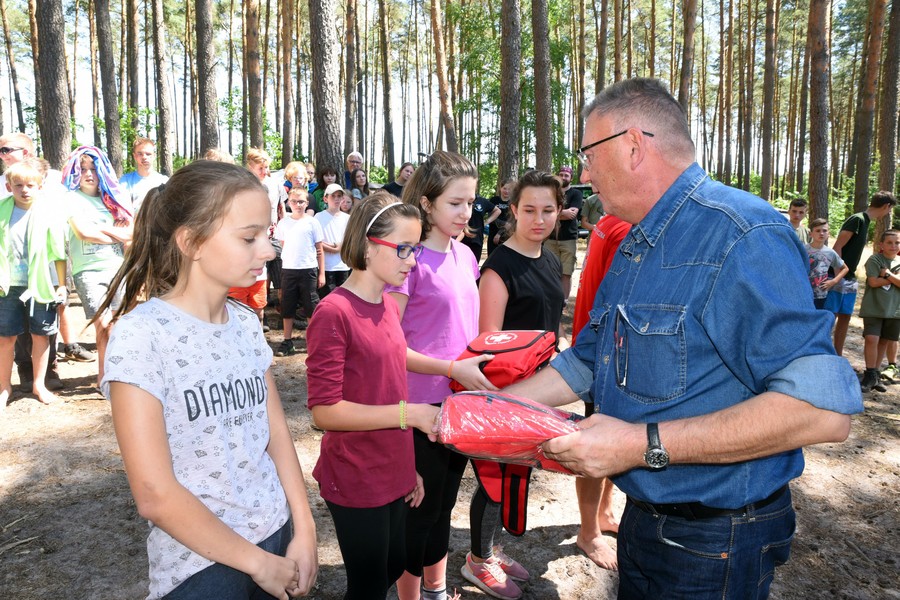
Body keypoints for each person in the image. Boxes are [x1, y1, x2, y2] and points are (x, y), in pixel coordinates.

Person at [504, 78, 862, 599]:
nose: (582, 175)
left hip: (717, 537)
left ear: (632, 145)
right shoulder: (636, 242)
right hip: (646, 522)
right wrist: (490, 408)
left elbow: (822, 411)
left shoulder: (742, 234)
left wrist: (639, 444)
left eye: (586, 155)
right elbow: (587, 360)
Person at [100, 160, 318, 600]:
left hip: (278, 537)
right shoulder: (142, 336)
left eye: (267, 236)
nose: (269, 252)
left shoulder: (244, 323)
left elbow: (276, 434)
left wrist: (306, 526)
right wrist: (257, 564)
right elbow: (154, 493)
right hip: (202, 567)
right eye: (249, 238)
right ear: (191, 242)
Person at [305, 193, 444, 599]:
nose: (412, 260)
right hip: (355, 475)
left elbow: (388, 381)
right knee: (367, 586)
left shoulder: (385, 303)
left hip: (392, 470)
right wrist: (411, 414)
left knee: (393, 564)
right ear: (368, 244)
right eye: (403, 249)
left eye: (415, 249)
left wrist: (408, 470)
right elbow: (324, 412)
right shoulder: (334, 312)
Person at [387, 152, 497, 600]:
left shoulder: (467, 255)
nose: (465, 213)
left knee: (445, 505)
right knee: (420, 511)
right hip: (421, 408)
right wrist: (452, 369)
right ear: (427, 204)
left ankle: (436, 590)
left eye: (470, 202)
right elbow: (390, 347)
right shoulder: (407, 261)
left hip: (462, 404)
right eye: (455, 203)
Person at [466, 170, 566, 599]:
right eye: (529, 210)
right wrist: (507, 399)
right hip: (504, 391)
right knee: (494, 481)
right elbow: (490, 346)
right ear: (513, 209)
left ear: (560, 211)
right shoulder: (498, 267)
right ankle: (476, 560)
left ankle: (489, 546)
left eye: (548, 210)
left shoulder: (550, 259)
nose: (539, 219)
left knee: (516, 476)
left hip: (539, 388)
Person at [570, 209, 632, 572]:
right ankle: (589, 531)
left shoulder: (610, 220)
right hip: (608, 356)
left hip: (601, 350)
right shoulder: (627, 228)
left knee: (611, 435)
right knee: (599, 441)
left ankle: (604, 512)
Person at [0, 133, 76, 387]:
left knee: (42, 330)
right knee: (8, 334)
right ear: (10, 186)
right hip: (8, 283)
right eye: (18, 185)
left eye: (9, 149)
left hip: (42, 280)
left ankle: (43, 379)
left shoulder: (51, 194)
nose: (24, 190)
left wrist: (62, 284)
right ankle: (11, 382)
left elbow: (58, 249)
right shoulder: (3, 202)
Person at [62, 146, 133, 388]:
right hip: (89, 271)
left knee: (116, 323)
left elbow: (131, 232)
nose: (89, 174)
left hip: (117, 269)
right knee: (103, 324)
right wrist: (115, 234)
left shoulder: (113, 198)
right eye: (83, 170)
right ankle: (104, 374)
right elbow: (83, 233)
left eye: (93, 169)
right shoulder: (70, 198)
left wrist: (102, 231)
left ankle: (114, 373)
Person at [828, 191, 897, 356]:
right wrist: (839, 276)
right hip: (838, 277)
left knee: (845, 317)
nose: (888, 213)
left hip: (850, 278)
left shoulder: (866, 221)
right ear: (886, 206)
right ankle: (821, 353)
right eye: (889, 209)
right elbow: (837, 248)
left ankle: (837, 355)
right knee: (831, 317)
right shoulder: (857, 219)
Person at [273, 188, 324, 357]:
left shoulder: (312, 222)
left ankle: (314, 342)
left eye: (301, 201)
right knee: (287, 305)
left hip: (308, 269)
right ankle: (287, 341)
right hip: (288, 269)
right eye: (294, 201)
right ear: (288, 203)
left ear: (307, 203)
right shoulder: (284, 223)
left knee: (310, 305)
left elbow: (319, 249)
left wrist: (321, 273)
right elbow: (283, 245)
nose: (297, 204)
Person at [858, 229, 900, 392]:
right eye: (889, 242)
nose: (893, 245)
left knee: (884, 341)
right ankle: (869, 373)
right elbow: (873, 282)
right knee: (872, 339)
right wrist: (893, 278)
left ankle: (875, 375)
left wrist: (887, 274)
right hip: (873, 308)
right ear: (881, 244)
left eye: (897, 242)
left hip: (894, 311)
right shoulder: (875, 259)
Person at [543, 166, 582, 304]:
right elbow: (545, 211)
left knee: (566, 272)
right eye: (561, 174)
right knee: (549, 270)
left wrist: (555, 214)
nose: (563, 177)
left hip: (568, 239)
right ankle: (550, 298)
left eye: (566, 175)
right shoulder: (551, 193)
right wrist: (562, 213)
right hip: (550, 237)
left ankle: (564, 301)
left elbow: (573, 214)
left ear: (571, 178)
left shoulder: (576, 194)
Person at [314, 183, 352, 297]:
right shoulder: (318, 217)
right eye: (333, 196)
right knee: (327, 297)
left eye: (339, 196)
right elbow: (316, 240)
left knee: (343, 297)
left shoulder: (347, 218)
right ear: (326, 199)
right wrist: (330, 248)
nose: (336, 199)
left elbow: (350, 238)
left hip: (343, 265)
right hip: (326, 266)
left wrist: (340, 247)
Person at [806, 218, 848, 310]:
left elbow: (845, 268)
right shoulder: (803, 249)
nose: (821, 233)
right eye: (817, 231)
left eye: (824, 231)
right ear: (810, 234)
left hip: (820, 294)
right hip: (803, 292)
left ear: (828, 234)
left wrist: (834, 281)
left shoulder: (830, 252)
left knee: (817, 319)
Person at [118, 137, 169, 213]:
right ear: (134, 156)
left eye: (148, 154)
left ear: (154, 156)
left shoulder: (164, 181)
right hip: (133, 223)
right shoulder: (125, 181)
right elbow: (121, 208)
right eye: (140, 154)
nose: (144, 157)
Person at [460, 194, 501, 263]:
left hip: (477, 239)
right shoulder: (460, 199)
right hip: (461, 238)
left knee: (474, 265)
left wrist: (486, 222)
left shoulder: (482, 201)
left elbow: (497, 211)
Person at [487, 179, 515, 255]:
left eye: (509, 189)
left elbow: (512, 221)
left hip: (507, 235)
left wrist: (500, 233)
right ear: (500, 188)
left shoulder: (513, 203)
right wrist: (503, 225)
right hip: (493, 234)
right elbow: (491, 218)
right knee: (492, 257)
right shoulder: (494, 200)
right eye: (504, 188)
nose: (507, 191)